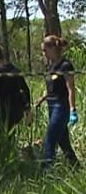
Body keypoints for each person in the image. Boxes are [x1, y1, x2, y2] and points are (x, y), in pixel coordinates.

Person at [33, 35, 79, 168]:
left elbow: (70, 88)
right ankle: (76, 167)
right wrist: (41, 99)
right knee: (63, 141)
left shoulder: (65, 65)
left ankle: (47, 172)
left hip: (61, 106)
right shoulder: (51, 67)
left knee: (50, 139)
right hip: (51, 105)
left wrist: (72, 110)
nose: (44, 53)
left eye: (45, 50)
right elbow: (52, 89)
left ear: (53, 48)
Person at [0, 44, 31, 131]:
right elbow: (26, 89)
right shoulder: (15, 70)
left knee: (3, 137)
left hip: (3, 111)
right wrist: (28, 108)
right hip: (18, 110)